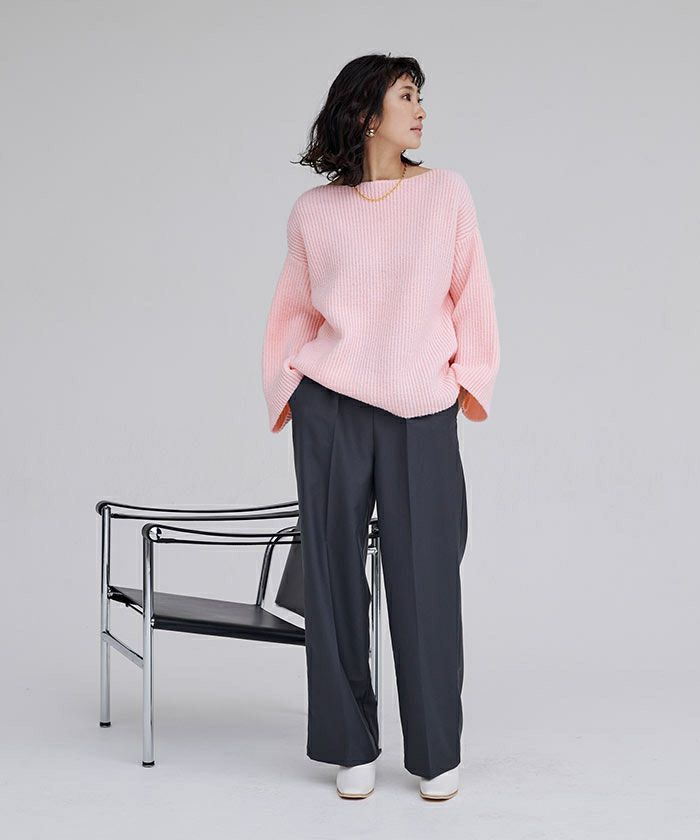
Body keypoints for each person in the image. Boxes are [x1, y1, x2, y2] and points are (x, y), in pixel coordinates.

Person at [261, 53, 500, 800]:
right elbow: (292, 310)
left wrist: (467, 382)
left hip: (420, 410)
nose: (420, 109)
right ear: (367, 113)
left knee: (427, 581)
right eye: (406, 96)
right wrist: (291, 391)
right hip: (331, 407)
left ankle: (435, 752)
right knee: (332, 579)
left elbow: (473, 292)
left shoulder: (446, 193)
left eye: (420, 96)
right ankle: (349, 744)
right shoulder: (314, 211)